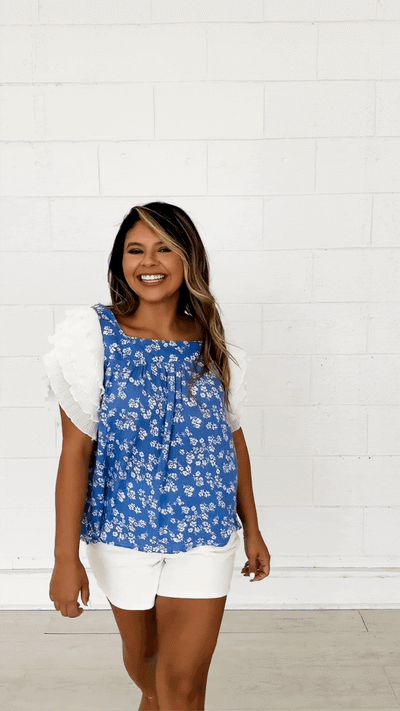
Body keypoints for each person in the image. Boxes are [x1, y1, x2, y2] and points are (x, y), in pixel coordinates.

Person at [42, 201, 271, 711]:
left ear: (188, 259)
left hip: (205, 531)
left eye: (165, 248)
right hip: (121, 533)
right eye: (135, 249)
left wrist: (252, 528)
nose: (149, 261)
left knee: (182, 685)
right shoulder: (92, 337)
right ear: (120, 261)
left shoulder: (212, 340)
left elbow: (232, 440)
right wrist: (64, 559)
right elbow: (75, 452)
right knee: (149, 675)